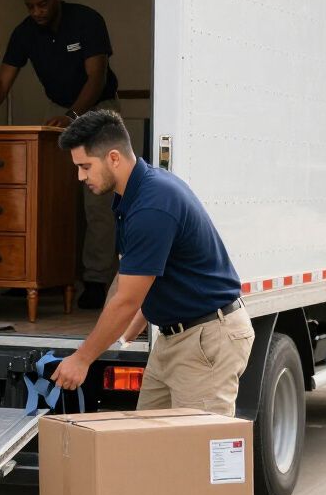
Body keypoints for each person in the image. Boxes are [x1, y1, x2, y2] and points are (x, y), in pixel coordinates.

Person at [50, 109, 255, 417]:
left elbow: (127, 299)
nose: (80, 177)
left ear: (114, 158)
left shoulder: (152, 205)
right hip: (175, 338)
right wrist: (131, 327)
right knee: (148, 442)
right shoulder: (132, 195)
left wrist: (82, 358)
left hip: (205, 340)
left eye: (85, 166)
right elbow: (134, 271)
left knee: (198, 453)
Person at [0, 0, 120, 309]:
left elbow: (96, 77)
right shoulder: (24, 33)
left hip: (97, 109)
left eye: (42, 4)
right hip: (61, 111)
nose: (36, 11)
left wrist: (74, 118)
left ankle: (96, 279)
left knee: (97, 199)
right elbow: (2, 81)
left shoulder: (86, 21)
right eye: (30, 6)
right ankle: (47, 275)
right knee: (54, 199)